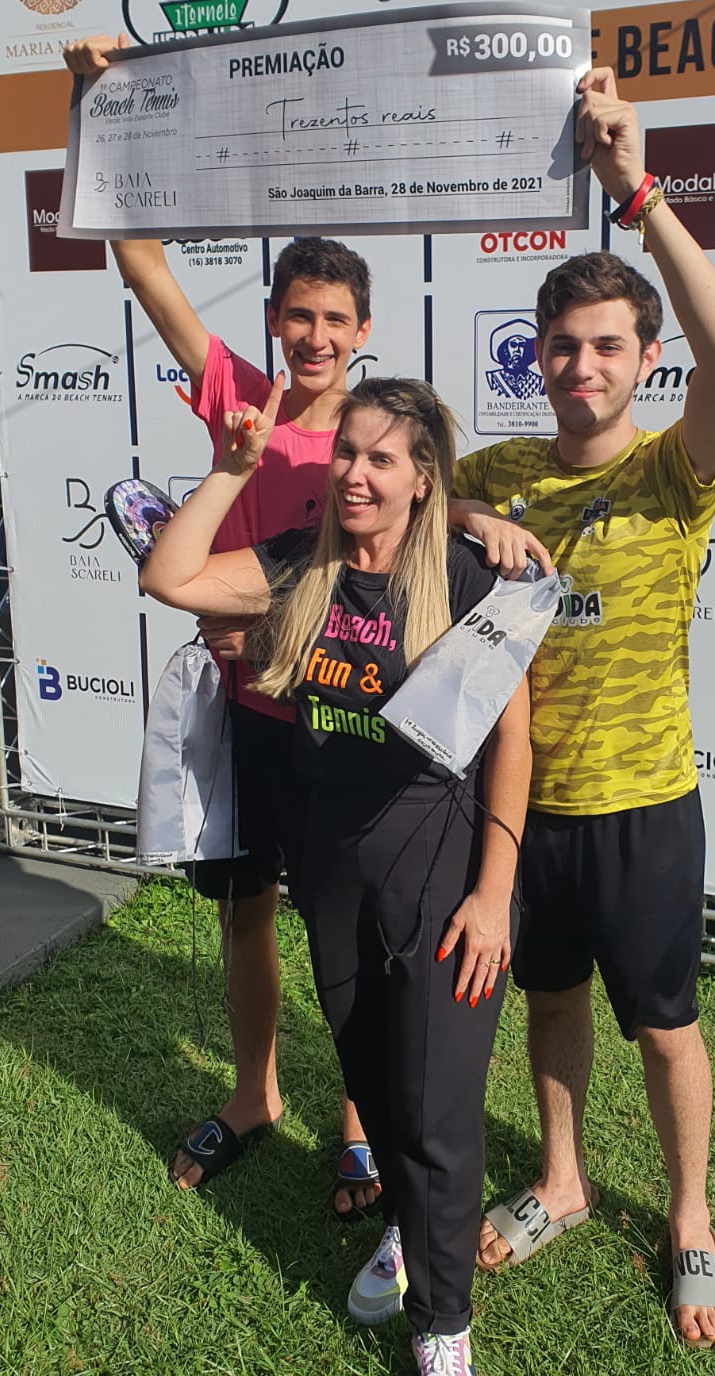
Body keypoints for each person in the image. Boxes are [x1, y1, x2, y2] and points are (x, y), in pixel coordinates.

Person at [140, 373, 531, 1376]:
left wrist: (494, 894)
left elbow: (513, 743)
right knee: (371, 1076)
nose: (355, 473)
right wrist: (232, 468)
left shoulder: (466, 580)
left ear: (422, 477)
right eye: (346, 452)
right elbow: (170, 577)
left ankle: (442, 1324)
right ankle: (408, 1223)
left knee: (437, 1106)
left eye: (381, 458)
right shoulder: (299, 565)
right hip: (336, 872)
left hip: (444, 871)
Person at [453, 67, 715, 1348]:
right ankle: (565, 1180)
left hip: (645, 805)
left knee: (667, 1026)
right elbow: (409, 496)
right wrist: (469, 512)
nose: (581, 364)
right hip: (527, 809)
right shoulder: (501, 465)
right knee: (552, 1002)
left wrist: (640, 194)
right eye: (562, 345)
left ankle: (689, 1217)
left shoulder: (674, 472)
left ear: (644, 359)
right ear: (536, 356)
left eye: (608, 346)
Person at [66, 24, 385, 1216]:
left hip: (342, 720)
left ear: (363, 330)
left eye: (335, 319)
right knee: (247, 914)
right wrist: (97, 106)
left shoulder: (386, 434)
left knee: (346, 932)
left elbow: (412, 561)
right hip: (248, 714)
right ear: (274, 320)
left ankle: (360, 1123)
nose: (315, 336)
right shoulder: (237, 400)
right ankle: (256, 1096)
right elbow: (141, 261)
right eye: (298, 315)